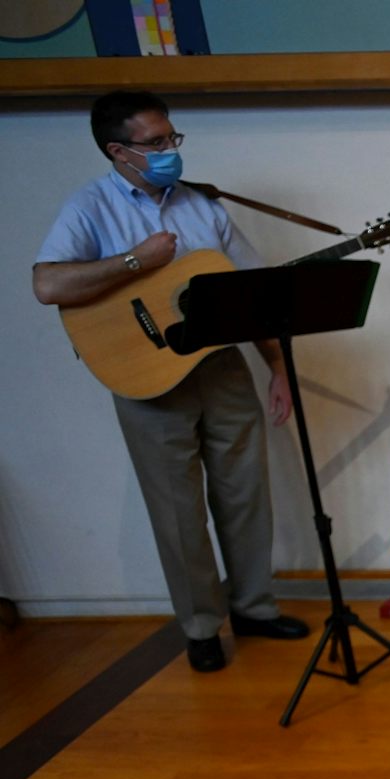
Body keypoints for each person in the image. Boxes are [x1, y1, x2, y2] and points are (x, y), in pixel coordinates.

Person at [32, 91, 306, 672]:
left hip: (221, 364)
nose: (168, 152)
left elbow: (252, 290)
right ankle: (203, 626)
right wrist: (135, 262)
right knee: (177, 510)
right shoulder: (89, 208)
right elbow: (49, 285)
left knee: (245, 493)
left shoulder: (204, 207)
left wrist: (278, 367)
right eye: (155, 143)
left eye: (171, 139)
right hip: (148, 378)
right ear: (118, 151)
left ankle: (255, 607)